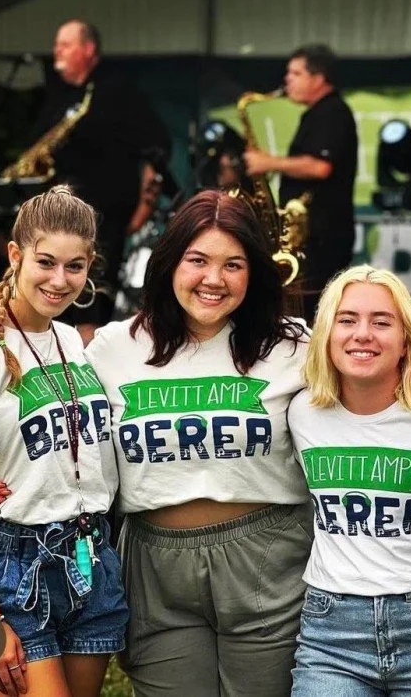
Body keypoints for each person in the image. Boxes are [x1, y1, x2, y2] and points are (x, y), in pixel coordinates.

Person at [85, 190, 311, 696]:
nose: (214, 279)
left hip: (268, 560)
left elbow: (375, 413)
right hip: (154, 564)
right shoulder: (114, 348)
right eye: (198, 260)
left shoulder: (294, 346)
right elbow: (63, 430)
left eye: (233, 264)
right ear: (169, 265)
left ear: (253, 273)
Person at [0, 185, 127, 697]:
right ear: (15, 255)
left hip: (90, 560)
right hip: (10, 568)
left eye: (75, 266)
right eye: (46, 261)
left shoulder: (72, 341)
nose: (60, 280)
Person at [289, 265, 411, 696]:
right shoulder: (301, 412)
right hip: (332, 631)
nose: (362, 334)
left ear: (406, 340)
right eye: (346, 320)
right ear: (326, 334)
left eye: (381, 322)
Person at [30, 19, 171, 341]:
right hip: (54, 216)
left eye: (65, 44)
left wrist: (144, 206)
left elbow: (156, 145)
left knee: (91, 297)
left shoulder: (116, 90)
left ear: (88, 49)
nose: (57, 51)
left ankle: (86, 372)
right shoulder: (60, 95)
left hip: (102, 214)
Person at [244, 43, 358, 323]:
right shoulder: (318, 114)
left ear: (318, 78)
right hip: (309, 235)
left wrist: (268, 163)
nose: (287, 80)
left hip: (321, 238)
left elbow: (320, 167)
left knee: (312, 314)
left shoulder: (332, 113)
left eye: (295, 73)